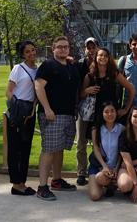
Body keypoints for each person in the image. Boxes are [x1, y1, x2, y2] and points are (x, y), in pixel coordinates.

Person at [34, 36, 81, 201]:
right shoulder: (47, 66)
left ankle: (57, 180)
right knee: (49, 149)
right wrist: (47, 108)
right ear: (53, 49)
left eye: (65, 47)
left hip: (68, 114)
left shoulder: (72, 65)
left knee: (59, 148)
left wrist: (75, 108)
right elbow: (39, 86)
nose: (63, 50)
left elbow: (75, 88)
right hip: (51, 114)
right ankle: (42, 186)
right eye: (59, 47)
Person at [80, 48, 135, 140]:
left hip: (112, 112)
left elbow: (132, 89)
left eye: (106, 56)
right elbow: (81, 95)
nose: (103, 58)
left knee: (115, 140)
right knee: (97, 142)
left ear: (109, 58)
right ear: (96, 58)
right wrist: (86, 91)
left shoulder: (114, 74)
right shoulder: (89, 76)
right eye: (100, 55)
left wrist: (126, 109)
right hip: (96, 113)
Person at [5, 41, 38, 196]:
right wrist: (17, 109)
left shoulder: (38, 70)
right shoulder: (18, 68)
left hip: (30, 112)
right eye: (27, 51)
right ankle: (16, 184)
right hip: (17, 111)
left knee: (26, 149)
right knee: (15, 149)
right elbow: (9, 91)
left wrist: (32, 109)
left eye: (33, 50)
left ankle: (22, 182)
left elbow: (38, 93)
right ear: (22, 54)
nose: (31, 53)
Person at [75, 37, 99, 187]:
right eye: (88, 48)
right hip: (84, 108)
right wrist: (86, 91)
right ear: (85, 50)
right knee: (81, 141)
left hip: (100, 109)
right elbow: (77, 89)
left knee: (99, 141)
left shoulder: (104, 62)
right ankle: (81, 172)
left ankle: (99, 170)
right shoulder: (79, 65)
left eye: (93, 47)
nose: (91, 51)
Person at [88, 100, 123, 201]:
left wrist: (116, 167)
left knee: (101, 179)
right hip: (99, 166)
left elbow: (123, 152)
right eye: (106, 111)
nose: (110, 114)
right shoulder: (96, 129)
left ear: (116, 112)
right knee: (95, 196)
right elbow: (96, 149)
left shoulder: (122, 129)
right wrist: (105, 167)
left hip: (116, 167)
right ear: (102, 113)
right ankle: (109, 184)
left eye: (112, 111)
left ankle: (109, 184)